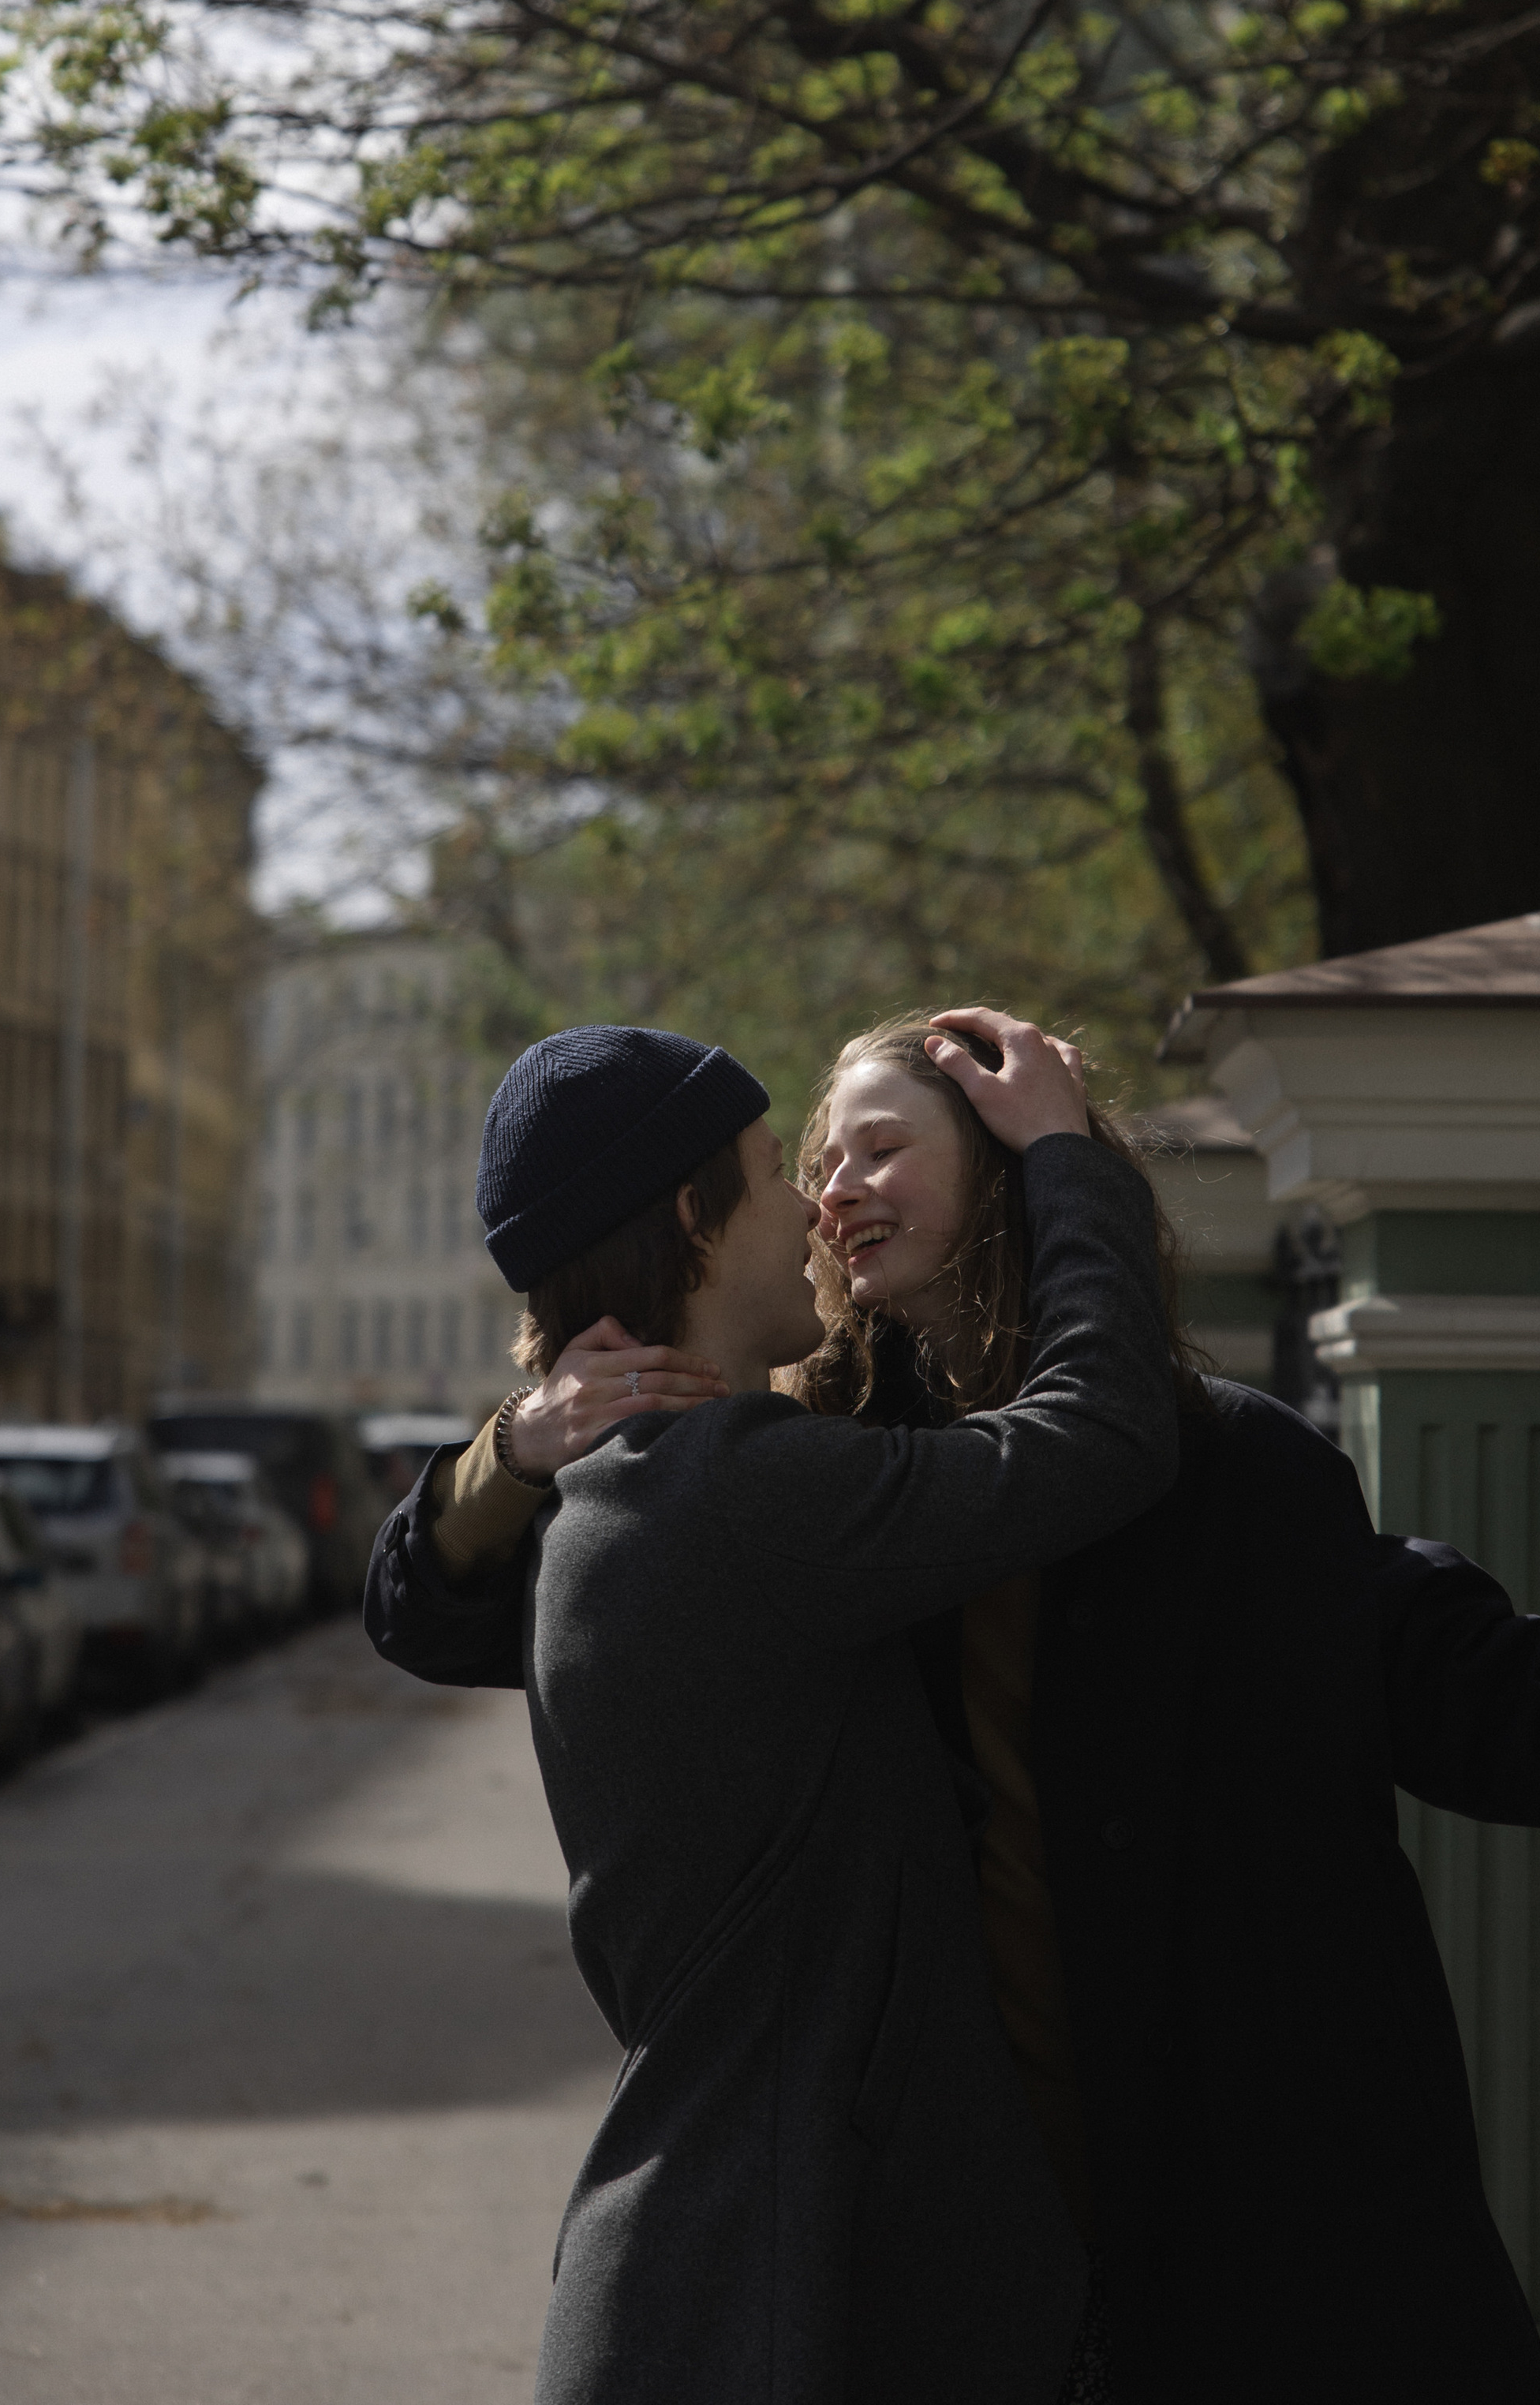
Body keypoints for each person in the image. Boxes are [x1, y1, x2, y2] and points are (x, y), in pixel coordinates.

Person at [371, 1010, 1540, 2405]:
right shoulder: (786, 1490)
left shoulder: (1223, 1474)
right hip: (944, 2272)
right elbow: (452, 1617)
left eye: (875, 1149)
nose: (828, 1191)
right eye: (805, 1160)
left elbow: (1502, 1708)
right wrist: (510, 1449)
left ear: (1014, 1178)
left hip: (1248, 2222)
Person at [377, 1006, 1178, 2405]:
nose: (814, 1200)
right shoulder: (738, 1498)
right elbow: (1101, 1438)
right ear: (692, 1217)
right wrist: (1066, 1161)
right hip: (777, 2293)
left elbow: (427, 1613)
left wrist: (518, 1453)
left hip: (718, 2274)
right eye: (771, 1168)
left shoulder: (627, 1496)